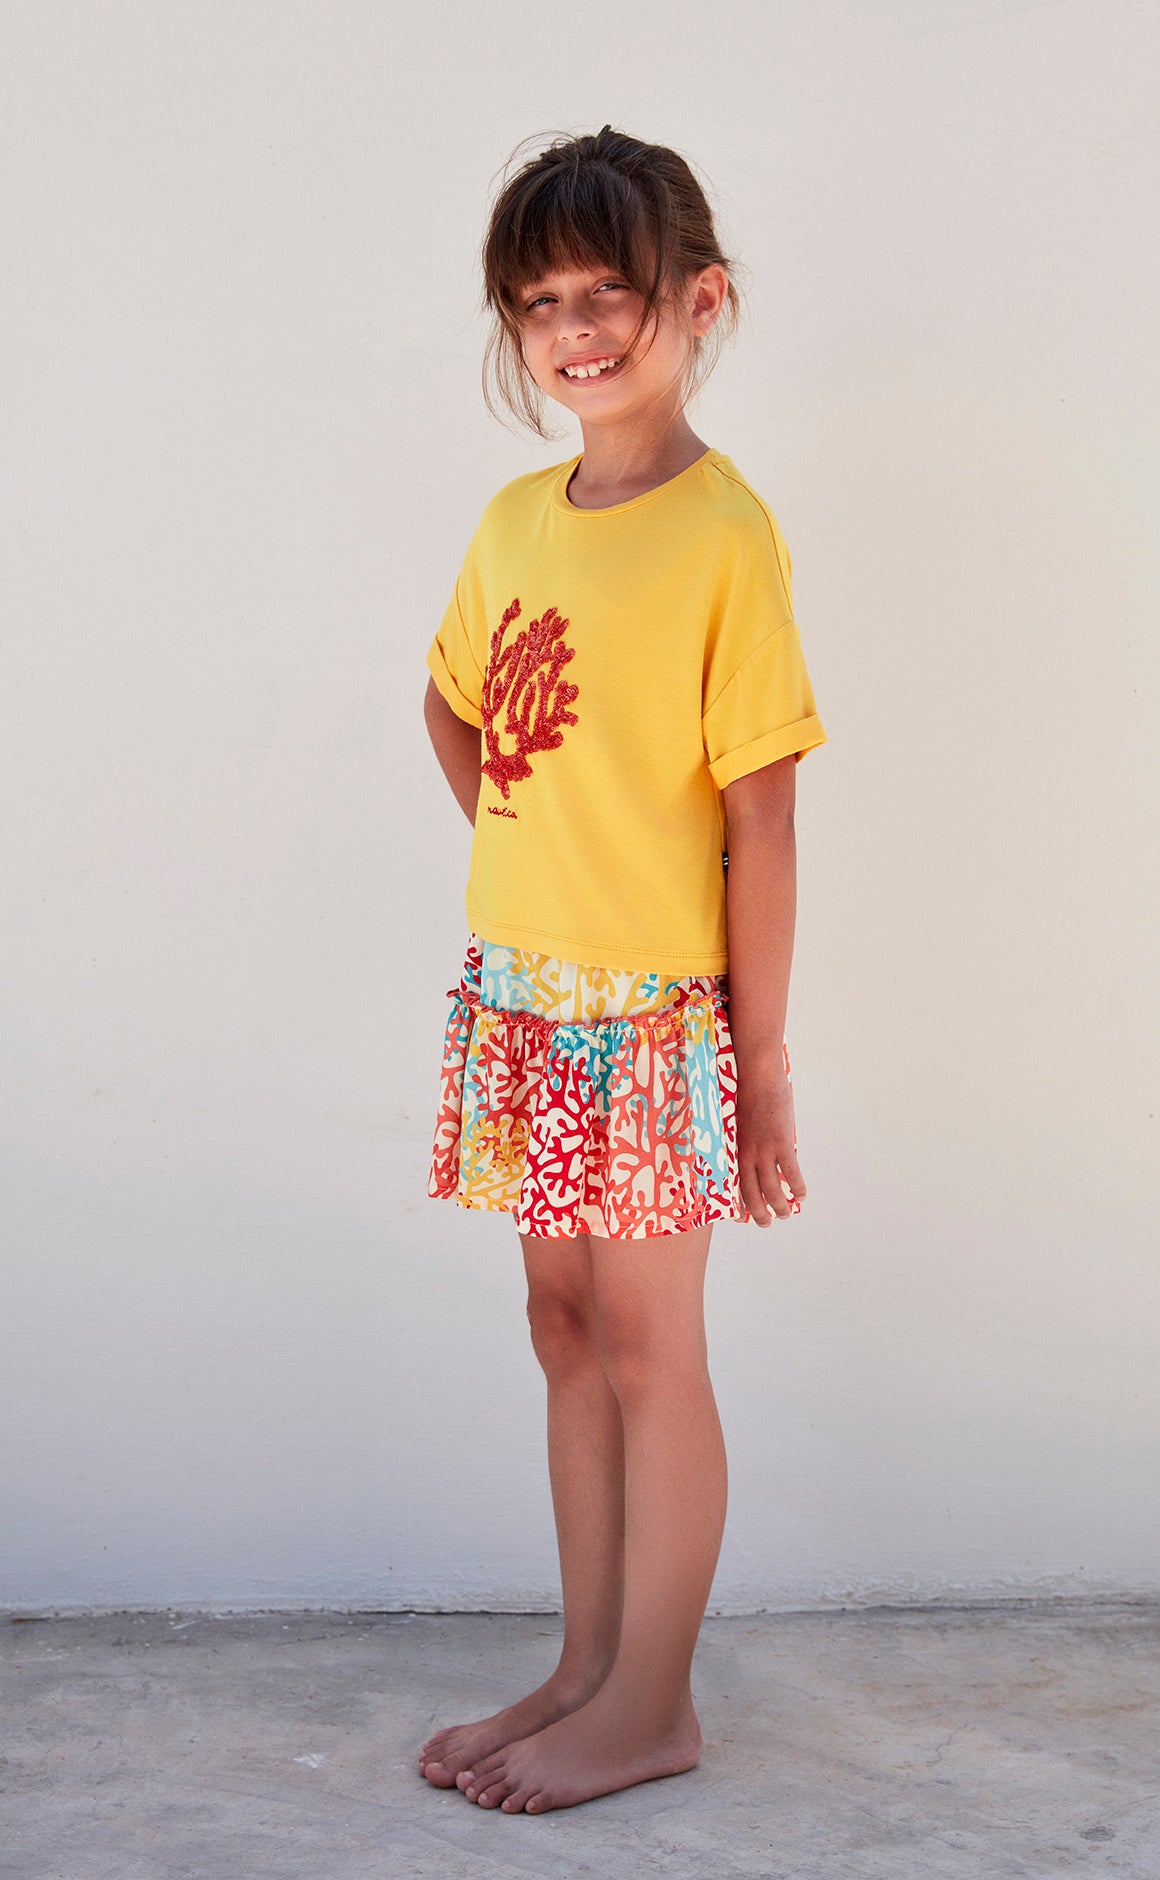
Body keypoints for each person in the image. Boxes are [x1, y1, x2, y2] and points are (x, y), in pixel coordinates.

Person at [418, 124, 828, 1815]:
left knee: (657, 1350)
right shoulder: (518, 520)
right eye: (538, 303)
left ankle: (655, 1699)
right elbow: (453, 700)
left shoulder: (726, 536)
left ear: (698, 300)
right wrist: (533, 837)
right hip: (526, 993)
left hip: (657, 1018)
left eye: (611, 293)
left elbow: (769, 818)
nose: (576, 331)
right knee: (562, 1323)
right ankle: (587, 1663)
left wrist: (763, 1066)